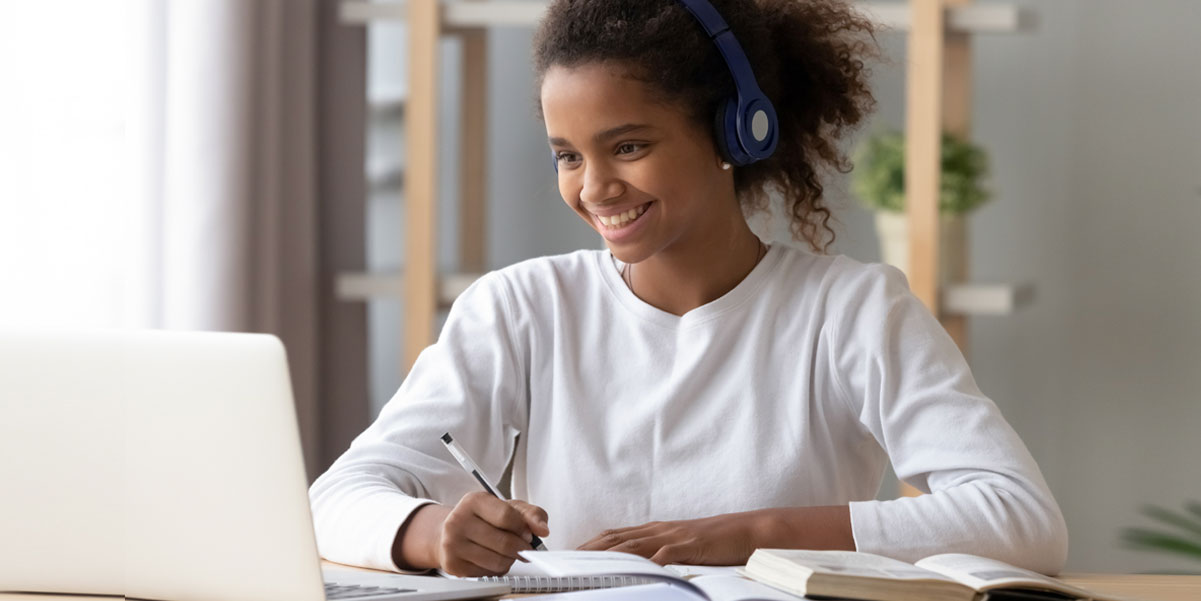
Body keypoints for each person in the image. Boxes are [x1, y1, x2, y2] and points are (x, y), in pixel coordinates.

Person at [309, 0, 1069, 579]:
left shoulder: (854, 311)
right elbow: (329, 502)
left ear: (737, 132)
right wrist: (430, 529)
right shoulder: (521, 308)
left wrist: (745, 534)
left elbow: (1023, 520)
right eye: (567, 156)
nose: (594, 187)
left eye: (628, 146)